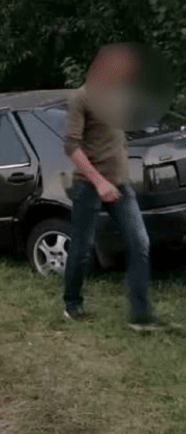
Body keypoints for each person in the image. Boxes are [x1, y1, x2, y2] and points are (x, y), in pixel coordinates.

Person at [63, 44, 158, 330]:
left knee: (140, 243)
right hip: (88, 186)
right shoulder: (81, 98)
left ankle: (141, 315)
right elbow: (71, 147)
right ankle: (72, 302)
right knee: (82, 249)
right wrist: (100, 181)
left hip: (120, 186)